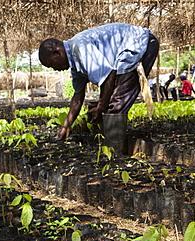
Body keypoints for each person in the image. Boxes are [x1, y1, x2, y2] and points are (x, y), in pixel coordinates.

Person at [39, 23, 159, 154]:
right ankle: (108, 143)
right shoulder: (75, 64)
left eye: (52, 64)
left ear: (57, 52)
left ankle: (114, 154)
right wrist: (66, 126)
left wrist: (101, 107)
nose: (54, 69)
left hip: (140, 44)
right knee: (105, 103)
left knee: (116, 105)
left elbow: (108, 77)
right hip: (127, 53)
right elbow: (78, 97)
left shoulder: (81, 49)